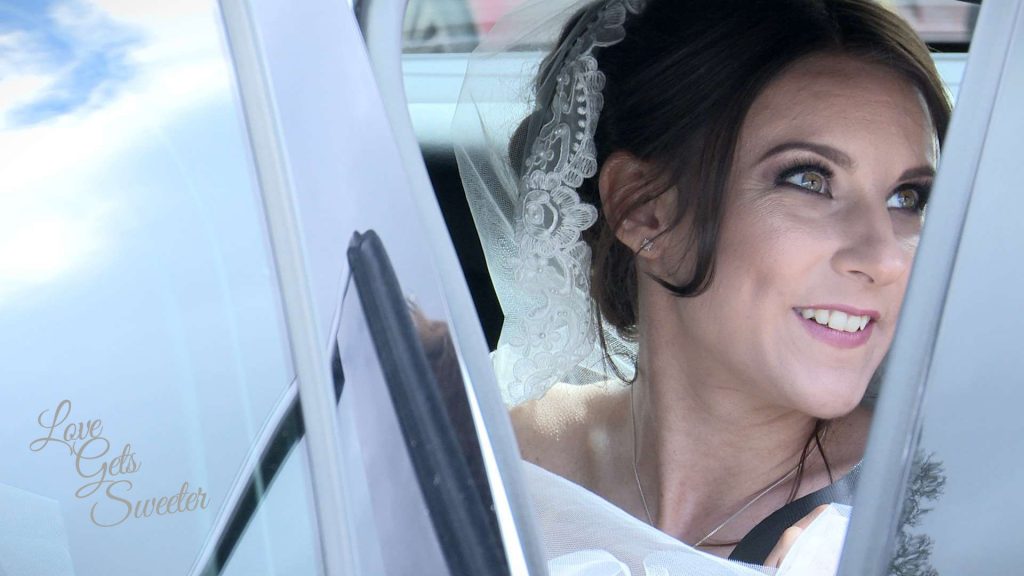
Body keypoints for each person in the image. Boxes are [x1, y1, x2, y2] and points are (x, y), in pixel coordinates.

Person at [454, 0, 950, 572]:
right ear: (643, 208)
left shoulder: (936, 516)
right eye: (809, 180)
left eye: (907, 198)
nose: (884, 258)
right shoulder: (484, 453)